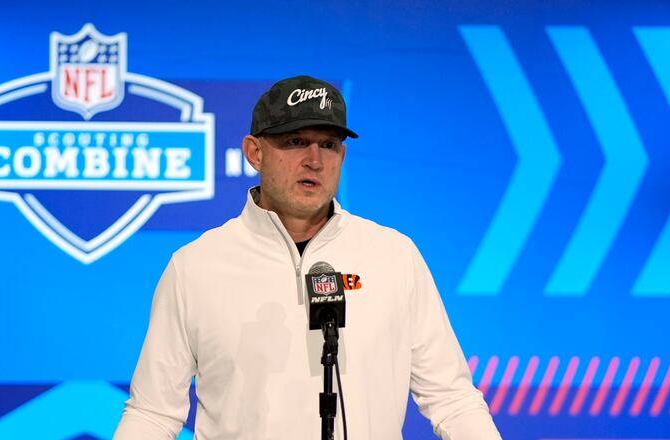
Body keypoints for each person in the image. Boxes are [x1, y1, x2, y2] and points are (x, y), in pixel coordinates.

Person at [113, 75, 502, 439]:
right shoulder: (196, 266)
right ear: (254, 152)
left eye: (329, 144)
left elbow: (451, 397)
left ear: (342, 156)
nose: (315, 160)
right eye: (296, 141)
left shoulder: (394, 256)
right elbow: (153, 412)